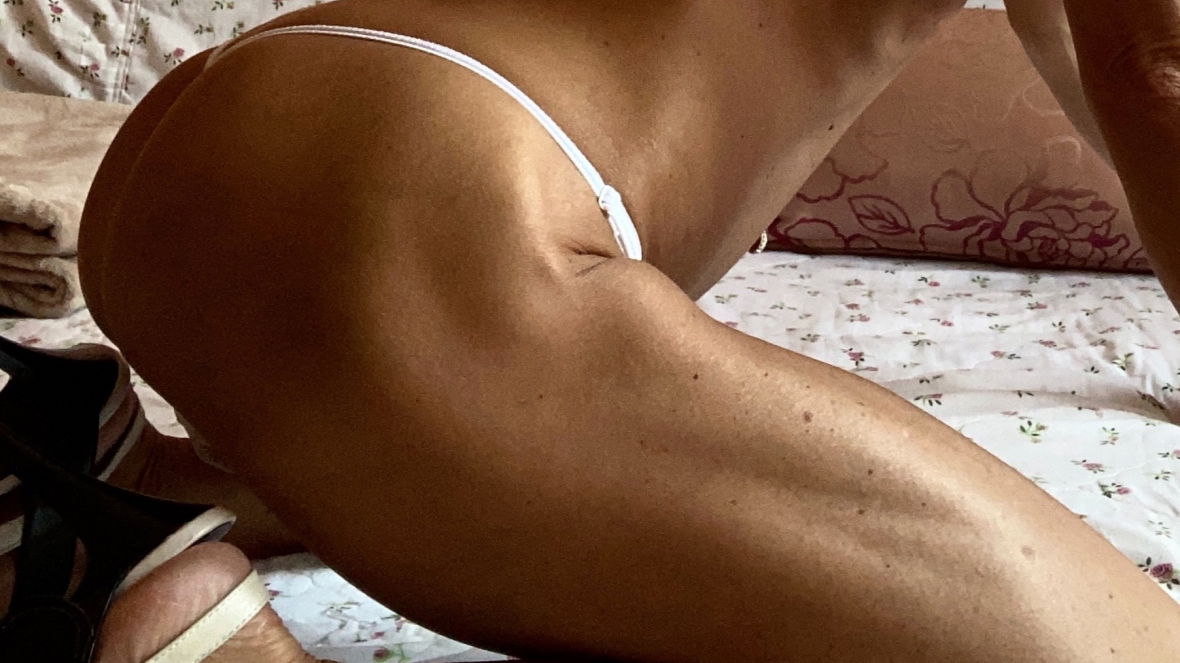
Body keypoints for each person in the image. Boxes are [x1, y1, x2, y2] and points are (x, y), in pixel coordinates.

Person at [5, 0, 1180, 661]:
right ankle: (186, 635)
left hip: (242, 133)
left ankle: (104, 494)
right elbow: (1153, 69)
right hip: (425, 194)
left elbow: (1096, 80)